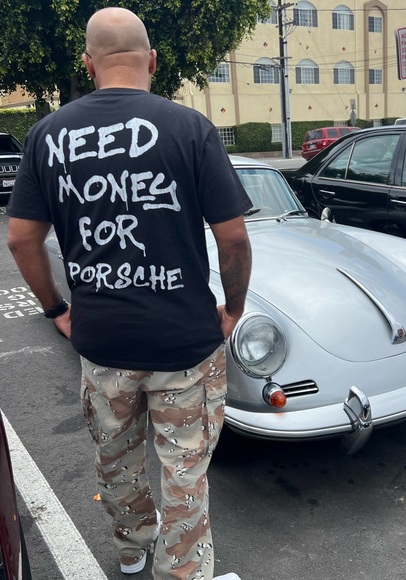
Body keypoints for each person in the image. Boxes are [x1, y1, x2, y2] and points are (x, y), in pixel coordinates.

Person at [6, 7, 252, 580]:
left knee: (116, 460)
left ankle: (132, 548)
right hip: (184, 342)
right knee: (184, 472)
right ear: (153, 61)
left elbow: (20, 240)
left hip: (103, 342)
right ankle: (180, 571)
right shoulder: (190, 128)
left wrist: (58, 310)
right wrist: (235, 308)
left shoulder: (46, 135)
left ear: (88, 63)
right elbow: (233, 238)